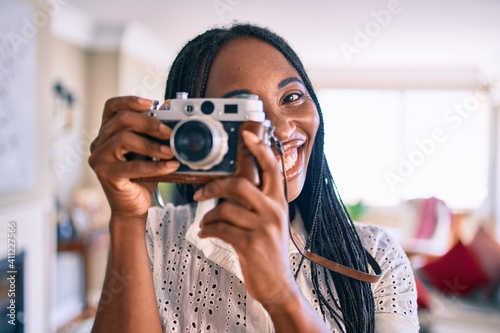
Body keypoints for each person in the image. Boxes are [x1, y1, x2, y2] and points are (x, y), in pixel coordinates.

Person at [88, 23, 419, 333]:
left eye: (291, 98)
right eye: (243, 112)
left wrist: (279, 289)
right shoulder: (154, 236)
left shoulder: (374, 254)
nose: (282, 128)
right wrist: (127, 219)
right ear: (191, 132)